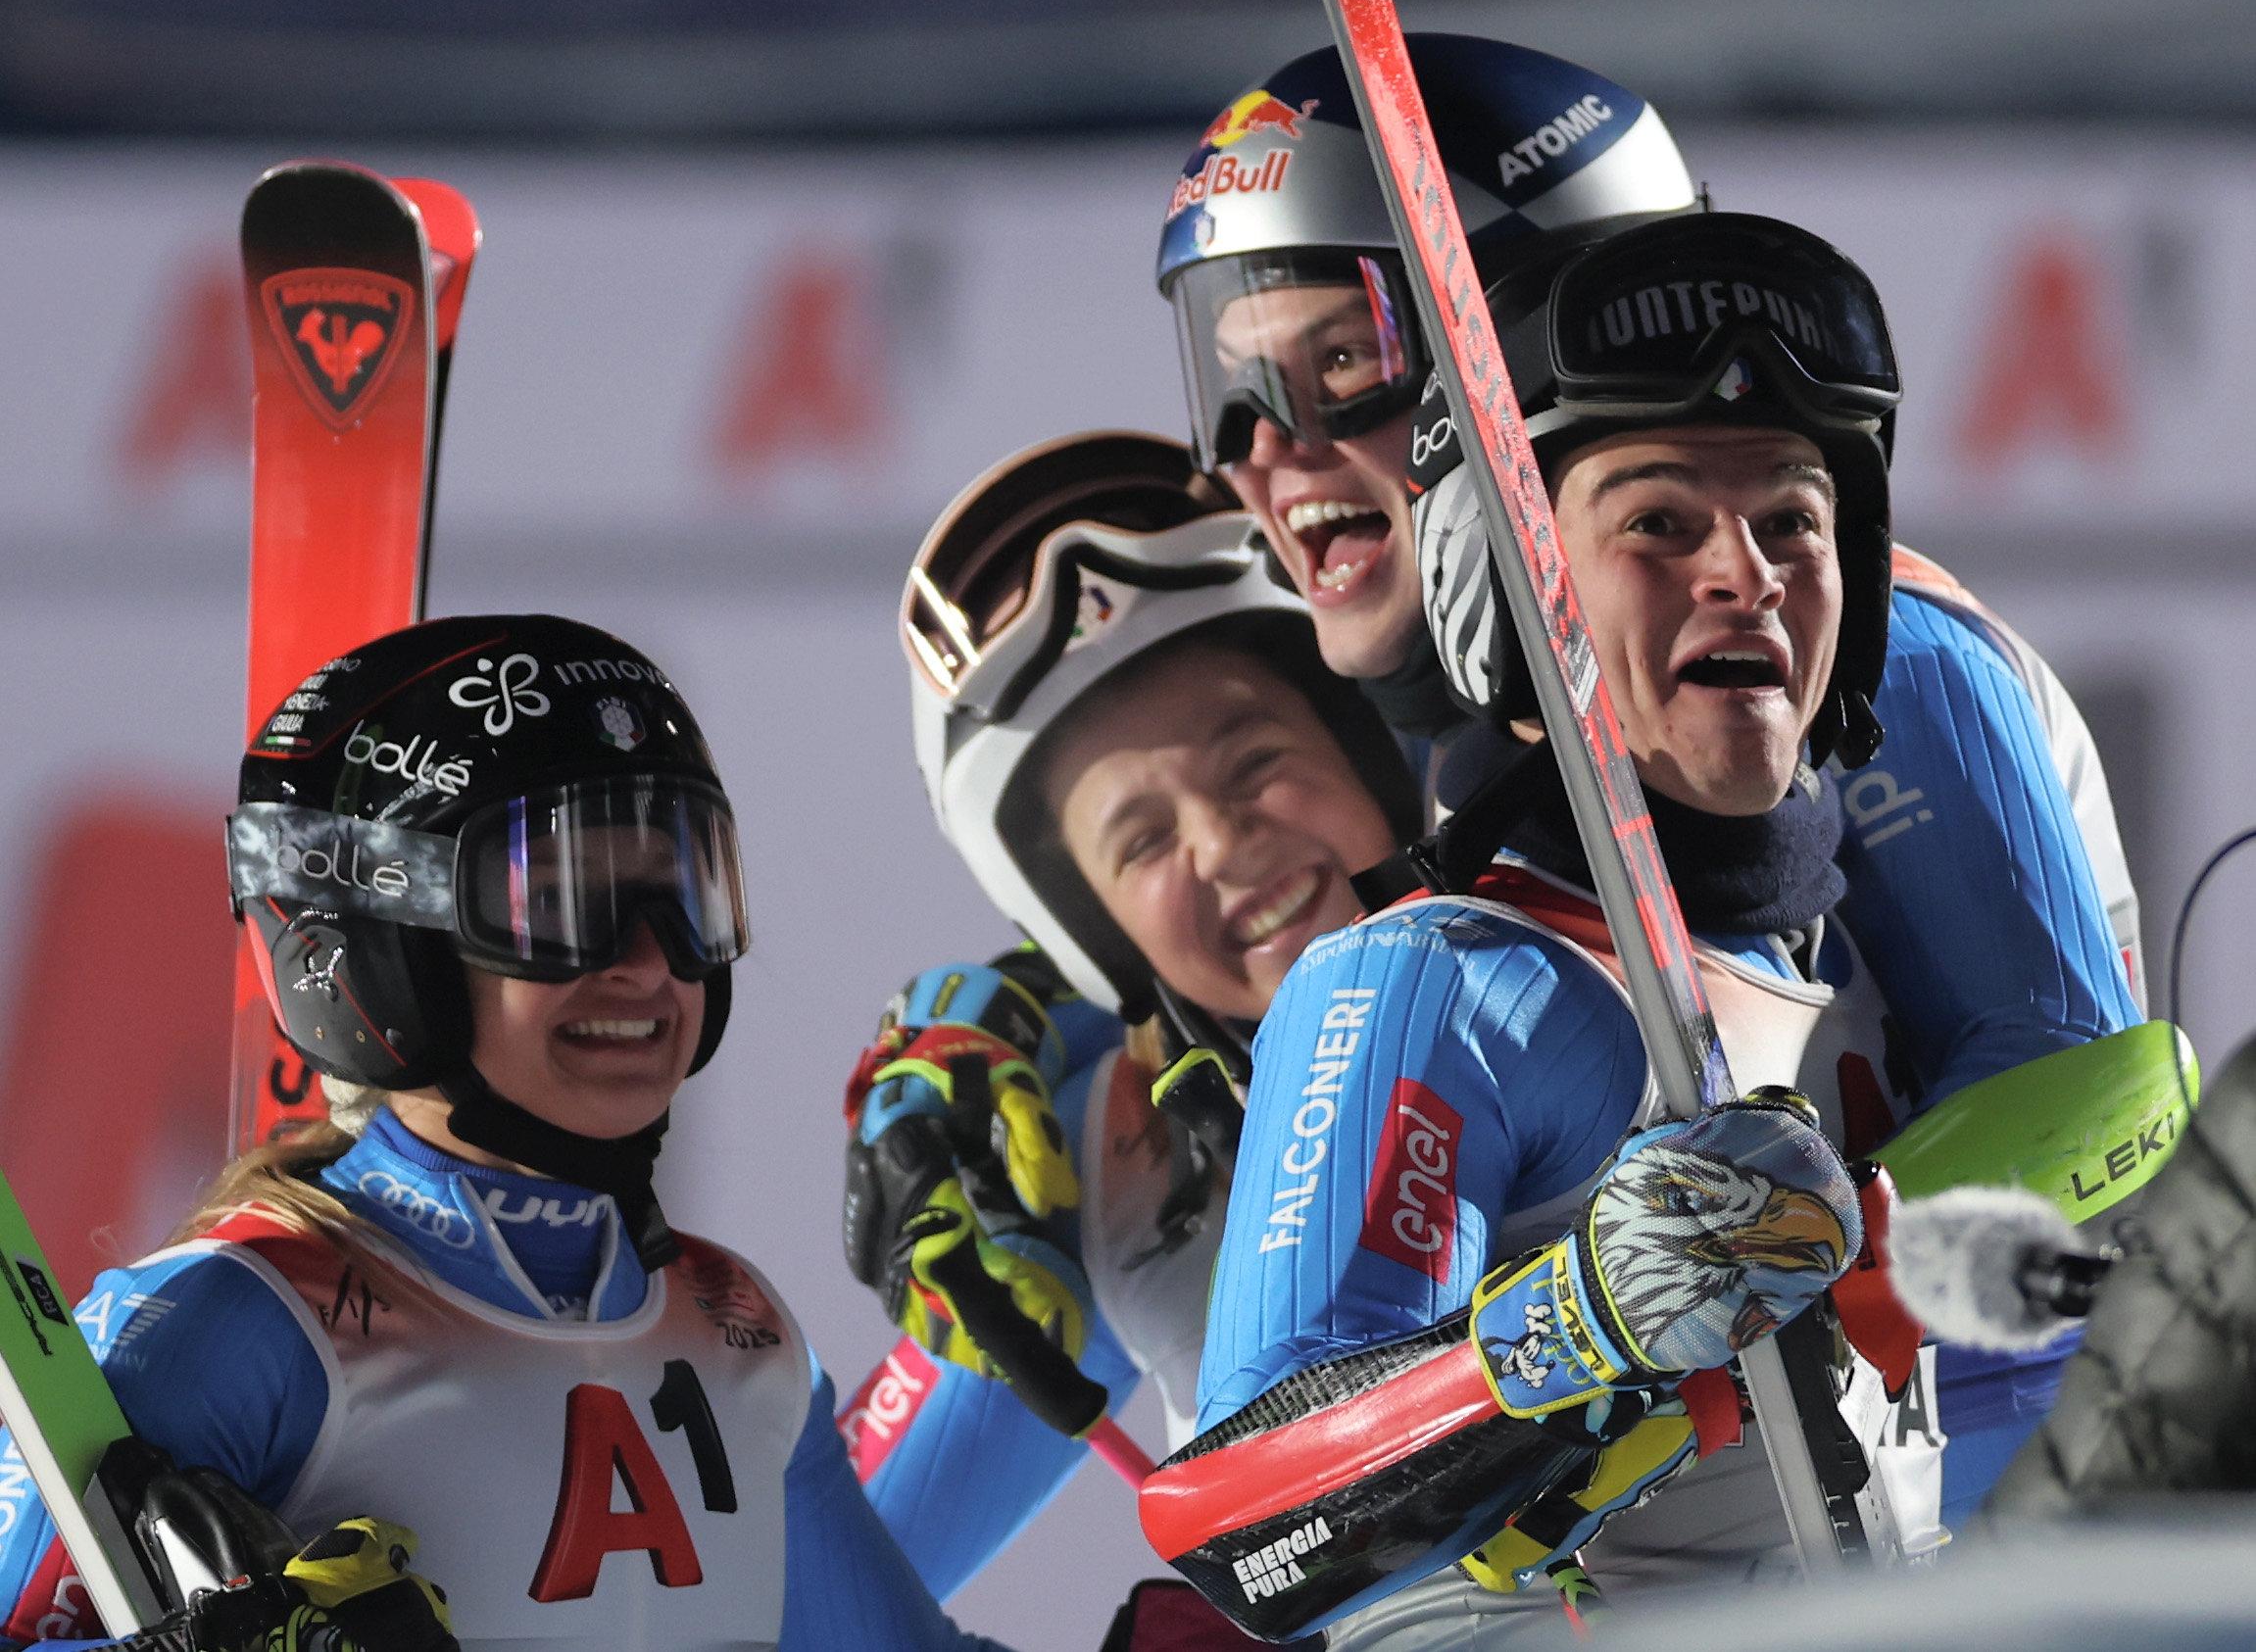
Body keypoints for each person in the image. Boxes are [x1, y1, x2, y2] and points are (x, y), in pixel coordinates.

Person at [1147, 209, 2141, 1643]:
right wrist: (1576, 1323)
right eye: (1658, 524)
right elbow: (1235, 1521)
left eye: (1791, 519)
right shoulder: (1434, 984)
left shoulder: (1832, 947)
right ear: (1508, 595)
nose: (1742, 572)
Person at [0, 615, 1010, 1652]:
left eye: (684, 898)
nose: (648, 962)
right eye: (565, 900)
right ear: (383, 948)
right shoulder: (238, 1325)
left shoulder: (734, 1330)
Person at [1157, 34, 2147, 1007]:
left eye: (1340, 365)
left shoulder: (1868, 654)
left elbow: (2072, 1084)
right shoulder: (1434, 695)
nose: (1262, 449)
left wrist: (1811, 1176)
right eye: (1232, 393)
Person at [837, 433, 1419, 1624]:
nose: (1222, 843)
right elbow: (794, 1580)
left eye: (1256, 758)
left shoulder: (1610, 930)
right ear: (1091, 931)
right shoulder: (1087, 1158)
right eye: (1141, 842)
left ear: (1366, 743)